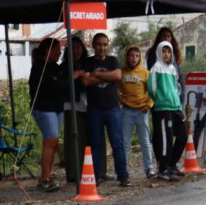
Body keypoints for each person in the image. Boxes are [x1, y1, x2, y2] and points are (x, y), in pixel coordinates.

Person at [82, 33, 129, 187]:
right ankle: (95, 176)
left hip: (112, 108)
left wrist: (96, 74)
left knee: (117, 143)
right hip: (94, 109)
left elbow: (118, 75)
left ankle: (122, 176)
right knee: (96, 144)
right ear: (93, 45)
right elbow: (86, 81)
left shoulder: (113, 60)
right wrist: (106, 76)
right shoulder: (87, 62)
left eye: (104, 44)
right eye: (99, 44)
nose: (102, 48)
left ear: (108, 45)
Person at [28, 38, 65, 192]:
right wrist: (59, 83)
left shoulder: (56, 67)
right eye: (57, 50)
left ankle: (47, 175)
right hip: (44, 108)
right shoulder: (38, 68)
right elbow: (50, 87)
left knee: (53, 142)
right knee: (50, 141)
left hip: (57, 108)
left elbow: (60, 84)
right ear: (48, 51)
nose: (59, 53)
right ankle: (44, 178)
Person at [149, 41, 187, 181]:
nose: (166, 54)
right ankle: (163, 169)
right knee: (167, 139)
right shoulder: (156, 68)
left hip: (175, 107)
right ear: (159, 52)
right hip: (163, 108)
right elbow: (152, 88)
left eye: (168, 51)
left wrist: (177, 103)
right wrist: (160, 99)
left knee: (182, 135)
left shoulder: (172, 68)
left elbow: (176, 86)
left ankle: (172, 164)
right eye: (163, 51)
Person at [119, 45, 157, 180]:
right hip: (127, 111)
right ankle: (123, 171)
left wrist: (149, 105)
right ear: (126, 57)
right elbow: (116, 88)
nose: (134, 58)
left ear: (139, 58)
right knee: (125, 142)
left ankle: (149, 169)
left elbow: (153, 91)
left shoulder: (145, 73)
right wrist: (119, 97)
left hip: (142, 111)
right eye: (131, 55)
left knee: (145, 142)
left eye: (136, 56)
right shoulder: (121, 72)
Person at [61, 36, 90, 183]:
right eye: (73, 48)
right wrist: (74, 76)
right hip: (71, 105)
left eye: (78, 47)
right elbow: (61, 85)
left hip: (88, 105)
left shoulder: (87, 63)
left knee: (86, 140)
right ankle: (73, 173)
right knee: (73, 140)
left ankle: (88, 170)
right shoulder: (64, 66)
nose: (76, 50)